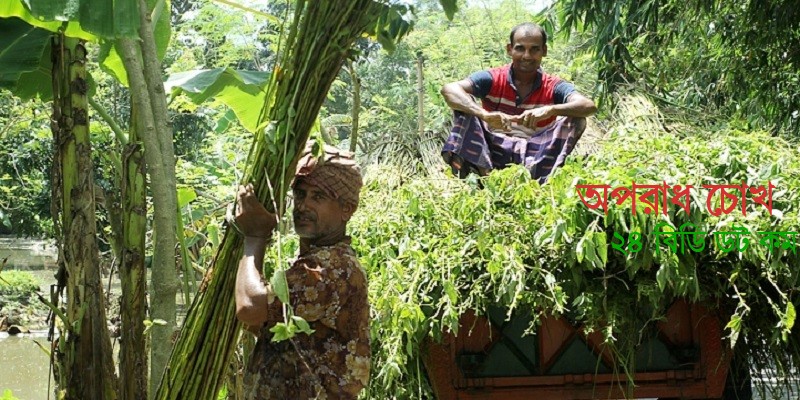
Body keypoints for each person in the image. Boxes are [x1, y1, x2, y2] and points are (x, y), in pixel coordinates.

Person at [233, 144, 370, 399]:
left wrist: (255, 235)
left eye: (318, 197)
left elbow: (250, 308)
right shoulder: (315, 261)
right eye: (300, 194)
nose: (303, 206)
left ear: (347, 209)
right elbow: (265, 324)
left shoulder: (330, 268)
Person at [440, 22, 597, 182]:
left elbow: (588, 106)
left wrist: (550, 110)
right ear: (510, 49)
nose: (527, 56)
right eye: (520, 48)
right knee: (464, 108)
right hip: (492, 151)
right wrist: (484, 115)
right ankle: (481, 175)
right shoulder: (492, 78)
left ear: (544, 51)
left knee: (576, 119)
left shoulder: (554, 86)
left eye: (534, 49)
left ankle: (542, 178)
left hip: (536, 153)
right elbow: (449, 89)